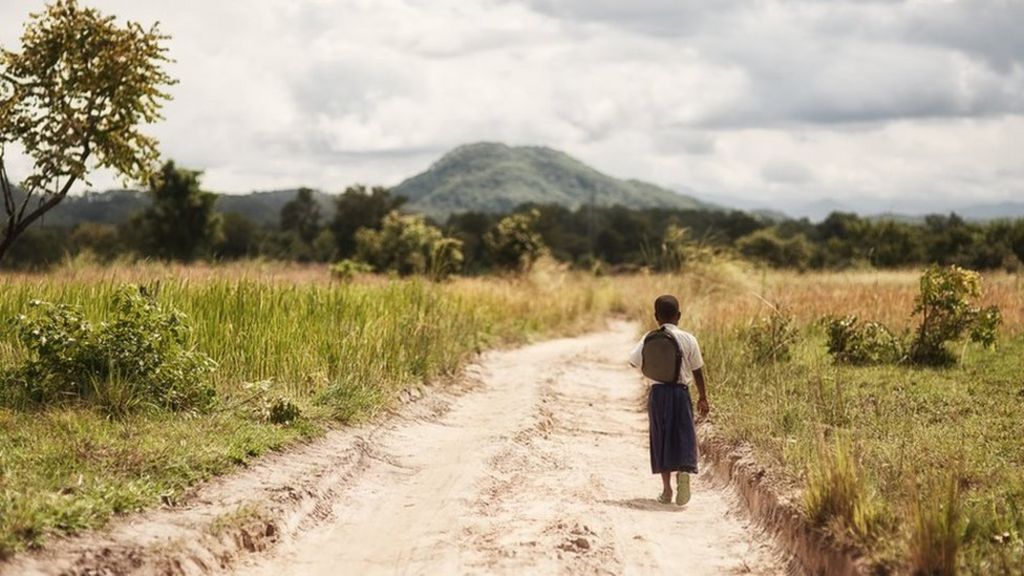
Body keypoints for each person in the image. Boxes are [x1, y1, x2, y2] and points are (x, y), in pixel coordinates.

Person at [628, 294, 709, 506]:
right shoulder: (689, 339)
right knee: (683, 434)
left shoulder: (649, 337)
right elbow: (698, 370)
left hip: (658, 395)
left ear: (656, 316)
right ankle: (684, 472)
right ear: (679, 316)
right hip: (681, 393)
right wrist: (703, 397)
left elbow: (633, 362)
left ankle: (666, 491)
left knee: (661, 437)